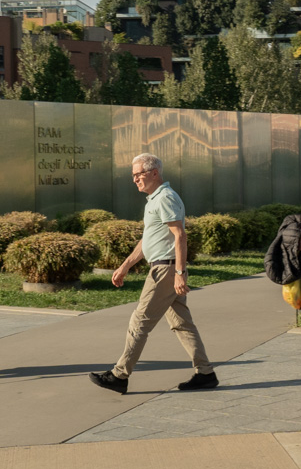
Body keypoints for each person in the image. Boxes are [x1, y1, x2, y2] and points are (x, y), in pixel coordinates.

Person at [88, 154, 218, 395]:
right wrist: (125, 265)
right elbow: (149, 239)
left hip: (165, 270)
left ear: (154, 173)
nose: (135, 179)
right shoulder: (154, 200)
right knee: (182, 324)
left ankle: (119, 375)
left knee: (139, 322)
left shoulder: (165, 198)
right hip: (165, 267)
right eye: (133, 175)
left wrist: (179, 273)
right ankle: (206, 373)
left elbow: (180, 235)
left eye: (139, 174)